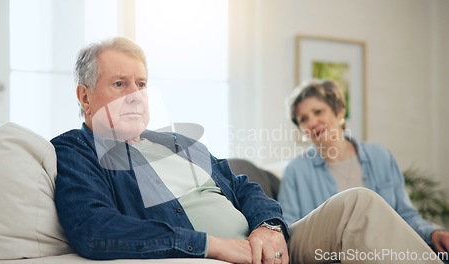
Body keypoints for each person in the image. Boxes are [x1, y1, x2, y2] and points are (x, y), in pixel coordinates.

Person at [52, 36, 443, 264]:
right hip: (225, 256)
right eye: (120, 84)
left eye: (141, 84)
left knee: (357, 203)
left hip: (268, 247)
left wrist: (267, 227)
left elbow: (244, 187)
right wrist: (213, 245)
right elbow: (93, 229)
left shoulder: (177, 142)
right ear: (85, 97)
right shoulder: (77, 150)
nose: (135, 95)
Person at [277, 80, 449, 259]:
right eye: (303, 119)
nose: (312, 122)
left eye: (318, 111)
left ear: (339, 111)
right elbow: (291, 233)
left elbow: (406, 215)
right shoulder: (296, 171)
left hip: (392, 250)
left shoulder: (380, 156)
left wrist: (433, 233)